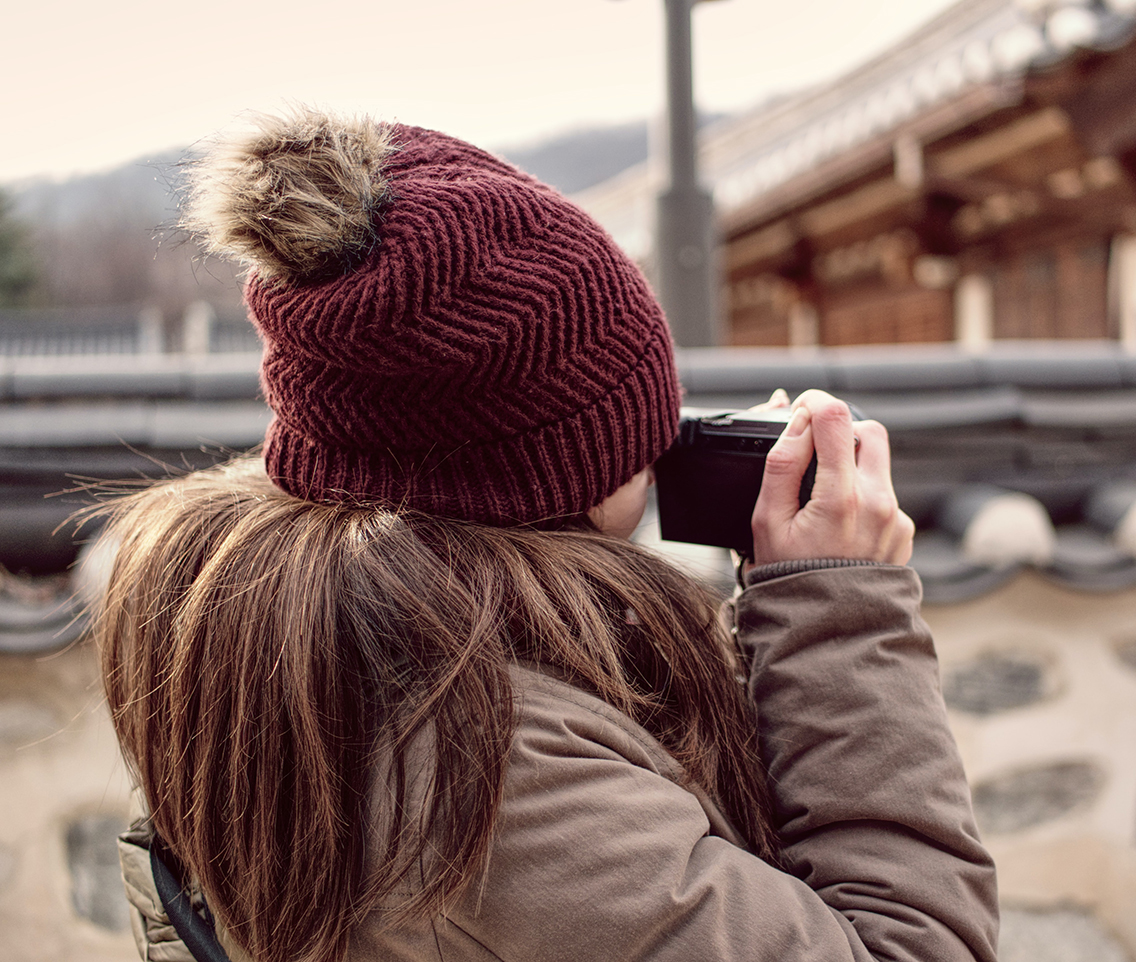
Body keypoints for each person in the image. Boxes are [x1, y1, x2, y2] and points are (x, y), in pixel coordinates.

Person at [95, 108, 998, 962]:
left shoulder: (301, 652)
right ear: (548, 475)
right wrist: (838, 606)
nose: (655, 453)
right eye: (630, 428)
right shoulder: (482, 765)